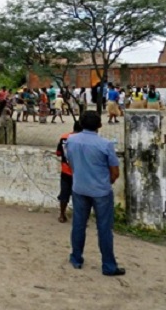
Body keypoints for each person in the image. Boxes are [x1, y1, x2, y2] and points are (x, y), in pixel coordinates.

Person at [66, 111, 125, 276]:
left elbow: (71, 163)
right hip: (100, 190)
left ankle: (76, 258)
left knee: (78, 224)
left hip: (79, 187)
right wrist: (106, 183)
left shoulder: (71, 140)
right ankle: (108, 265)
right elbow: (115, 172)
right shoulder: (105, 144)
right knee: (104, 228)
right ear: (99, 125)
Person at [56, 121, 82, 223]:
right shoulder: (83, 140)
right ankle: (79, 216)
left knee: (64, 193)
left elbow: (58, 153)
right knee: (80, 195)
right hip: (80, 172)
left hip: (66, 170)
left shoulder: (64, 137)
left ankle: (62, 215)